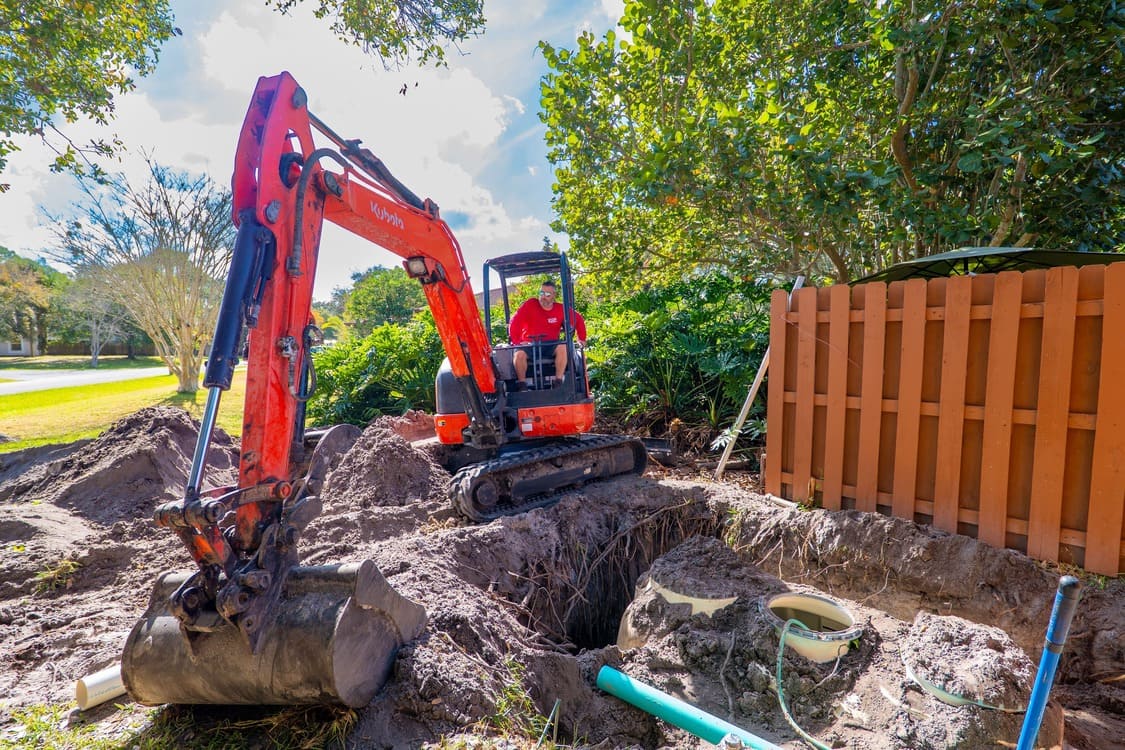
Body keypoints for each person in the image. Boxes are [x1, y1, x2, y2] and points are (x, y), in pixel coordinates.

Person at [508, 280, 586, 388]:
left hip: (550, 344)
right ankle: (522, 385)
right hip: (530, 344)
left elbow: (578, 319)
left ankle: (558, 382)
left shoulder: (560, 309)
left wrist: (581, 338)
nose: (543, 297)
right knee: (519, 354)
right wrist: (517, 342)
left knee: (563, 347)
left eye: (547, 294)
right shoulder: (530, 305)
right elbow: (514, 322)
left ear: (554, 295)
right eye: (541, 293)